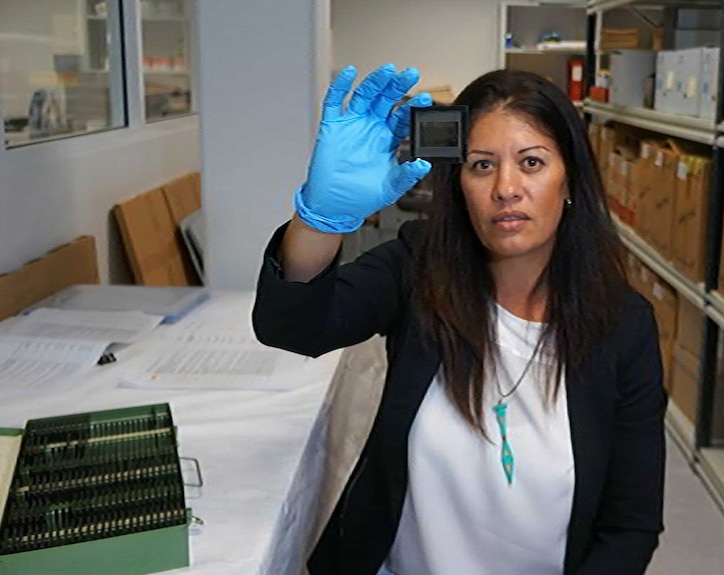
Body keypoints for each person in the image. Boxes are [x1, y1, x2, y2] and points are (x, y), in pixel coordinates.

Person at [253, 63, 667, 575]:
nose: (506, 188)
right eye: (481, 165)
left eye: (532, 162)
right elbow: (291, 328)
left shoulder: (622, 324)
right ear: (458, 184)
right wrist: (319, 218)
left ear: (570, 180)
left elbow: (630, 526)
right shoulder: (417, 270)